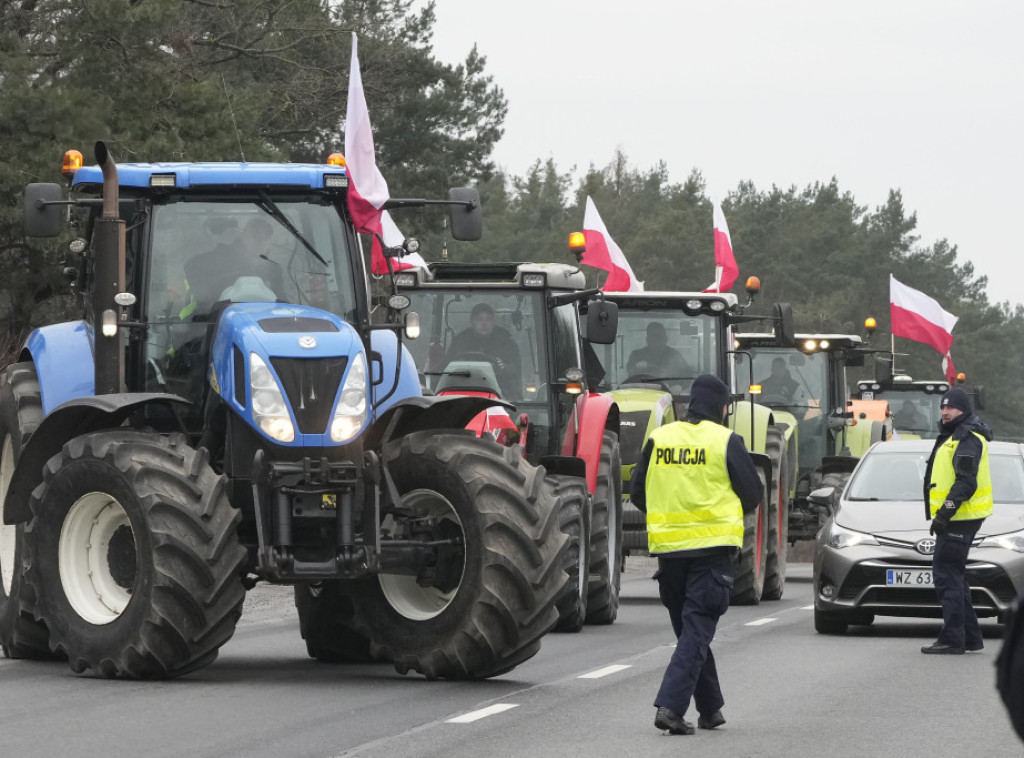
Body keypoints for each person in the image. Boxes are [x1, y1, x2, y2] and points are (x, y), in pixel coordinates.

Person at [630, 374, 762, 735]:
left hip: (669, 555)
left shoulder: (660, 437)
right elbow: (753, 495)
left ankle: (710, 709)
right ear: (722, 408)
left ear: (690, 403)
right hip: (711, 554)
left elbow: (638, 493)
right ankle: (671, 708)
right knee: (696, 633)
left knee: (692, 633)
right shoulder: (725, 440)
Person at [921, 387, 994, 655]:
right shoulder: (954, 435)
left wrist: (944, 513)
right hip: (959, 518)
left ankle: (953, 639)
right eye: (942, 407)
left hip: (959, 519)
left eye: (951, 407)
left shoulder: (966, 437)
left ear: (964, 410)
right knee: (955, 576)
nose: (945, 411)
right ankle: (970, 638)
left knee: (946, 576)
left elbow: (966, 482)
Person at [184, 216, 286, 313]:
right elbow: (191, 266)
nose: (260, 242)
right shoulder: (216, 260)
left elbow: (283, 305)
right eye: (256, 236)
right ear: (242, 236)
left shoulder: (273, 270)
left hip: (265, 323)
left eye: (265, 238)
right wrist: (206, 302)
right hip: (217, 323)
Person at [441, 303, 522, 398]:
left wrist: (503, 368)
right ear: (472, 321)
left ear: (493, 321)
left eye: (488, 319)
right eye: (479, 319)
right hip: (463, 393)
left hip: (502, 395)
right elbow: (446, 368)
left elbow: (516, 368)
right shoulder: (460, 341)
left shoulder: (506, 342)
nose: (484, 323)